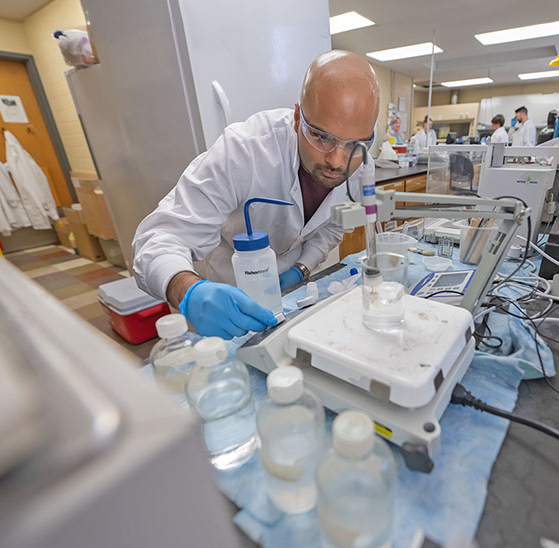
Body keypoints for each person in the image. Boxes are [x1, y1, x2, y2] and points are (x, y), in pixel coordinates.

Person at [133, 50, 380, 340]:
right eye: (322, 137)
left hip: (294, 284)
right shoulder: (245, 150)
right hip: (229, 286)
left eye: (356, 143)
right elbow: (158, 238)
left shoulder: (361, 163)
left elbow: (333, 227)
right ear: (298, 117)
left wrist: (301, 269)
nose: (338, 161)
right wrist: (189, 292)